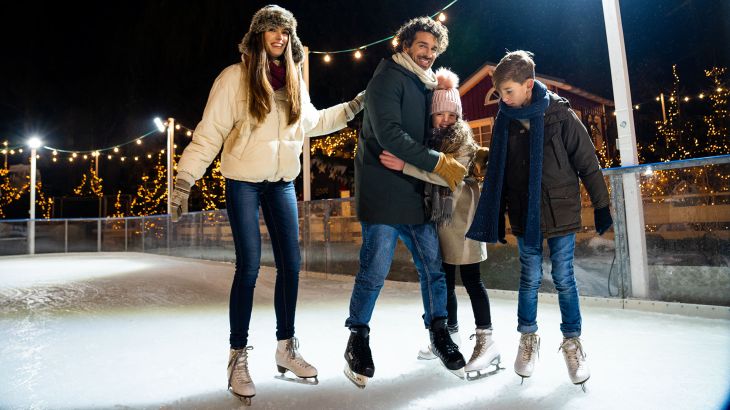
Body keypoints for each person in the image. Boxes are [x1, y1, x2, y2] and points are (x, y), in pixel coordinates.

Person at [169, 5, 364, 403]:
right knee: (250, 267)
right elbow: (209, 135)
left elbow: (312, 123)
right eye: (272, 29)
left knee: (291, 265)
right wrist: (183, 180)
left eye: (285, 31)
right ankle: (237, 356)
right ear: (258, 35)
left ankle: (285, 347)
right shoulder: (235, 79)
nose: (279, 37)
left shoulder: (293, 81)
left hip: (281, 184)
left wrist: (354, 106)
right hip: (243, 182)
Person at [466, 50, 613, 390]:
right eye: (500, 93)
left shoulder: (560, 115)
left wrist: (601, 203)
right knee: (529, 275)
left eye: (509, 92)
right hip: (524, 212)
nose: (503, 99)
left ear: (528, 85)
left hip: (560, 207)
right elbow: (501, 171)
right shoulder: (504, 120)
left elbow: (587, 162)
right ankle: (528, 338)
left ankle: (572, 342)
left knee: (564, 275)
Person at [344, 17, 467, 388]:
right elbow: (391, 136)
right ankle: (358, 339)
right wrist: (440, 163)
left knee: (432, 267)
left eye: (433, 49)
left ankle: (439, 332)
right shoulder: (386, 79)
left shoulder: (424, 84)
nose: (428, 54)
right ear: (405, 45)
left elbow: (440, 125)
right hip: (383, 193)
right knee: (375, 269)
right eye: (422, 46)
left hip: (413, 193)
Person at [379, 67, 501, 379]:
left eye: (451, 113)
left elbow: (446, 174)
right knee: (444, 280)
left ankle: (487, 340)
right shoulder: (429, 139)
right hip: (439, 218)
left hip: (463, 218)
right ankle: (450, 336)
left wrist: (406, 166)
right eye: (439, 114)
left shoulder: (462, 140)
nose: (445, 119)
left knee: (472, 279)